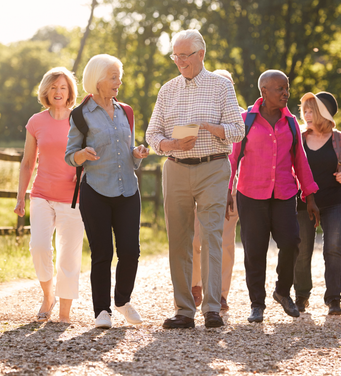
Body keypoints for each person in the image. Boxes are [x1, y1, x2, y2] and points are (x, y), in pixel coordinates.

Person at [146, 30, 244, 329]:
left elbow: (238, 130)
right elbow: (152, 135)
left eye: (184, 55)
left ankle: (212, 308)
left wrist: (210, 127)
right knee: (178, 239)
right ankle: (184, 311)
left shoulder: (220, 87)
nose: (179, 61)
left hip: (213, 167)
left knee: (212, 235)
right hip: (176, 167)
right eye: (175, 55)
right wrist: (171, 145)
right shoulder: (167, 90)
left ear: (201, 54)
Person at [228, 70, 320, 323]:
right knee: (254, 250)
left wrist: (309, 195)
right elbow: (233, 158)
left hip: (283, 193)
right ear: (264, 91)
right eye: (279, 88)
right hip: (251, 193)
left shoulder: (290, 122)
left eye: (287, 88)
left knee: (291, 242)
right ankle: (257, 303)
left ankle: (282, 291)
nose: (285, 93)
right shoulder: (245, 120)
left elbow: (300, 160)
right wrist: (227, 190)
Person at [65, 54, 149, 329]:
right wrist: (82, 155)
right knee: (101, 253)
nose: (119, 81)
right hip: (96, 191)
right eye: (113, 76)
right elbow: (70, 155)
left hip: (127, 190)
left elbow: (128, 149)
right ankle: (102, 311)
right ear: (98, 80)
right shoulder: (80, 114)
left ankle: (122, 300)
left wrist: (136, 153)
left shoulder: (126, 110)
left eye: (118, 76)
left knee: (130, 251)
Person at [13, 67, 84, 324]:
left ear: (69, 93)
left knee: (69, 255)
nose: (58, 92)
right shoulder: (36, 121)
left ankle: (64, 312)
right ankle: (47, 296)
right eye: (53, 87)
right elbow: (27, 162)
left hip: (73, 197)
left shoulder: (80, 119)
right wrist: (21, 196)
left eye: (63, 87)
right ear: (46, 90)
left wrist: (83, 171)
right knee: (40, 247)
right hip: (42, 193)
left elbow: (92, 152)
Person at [294, 91, 341, 316]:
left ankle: (334, 299)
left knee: (333, 249)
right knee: (302, 250)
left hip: (333, 201)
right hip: (303, 201)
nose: (306, 115)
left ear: (323, 114)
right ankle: (301, 297)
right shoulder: (299, 137)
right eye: (305, 110)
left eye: (312, 110)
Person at [191, 69, 242, 312]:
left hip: (231, 191)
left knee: (225, 243)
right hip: (200, 186)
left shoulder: (241, 119)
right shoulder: (199, 113)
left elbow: (244, 159)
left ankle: (220, 293)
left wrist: (234, 189)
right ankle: (195, 284)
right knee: (196, 238)